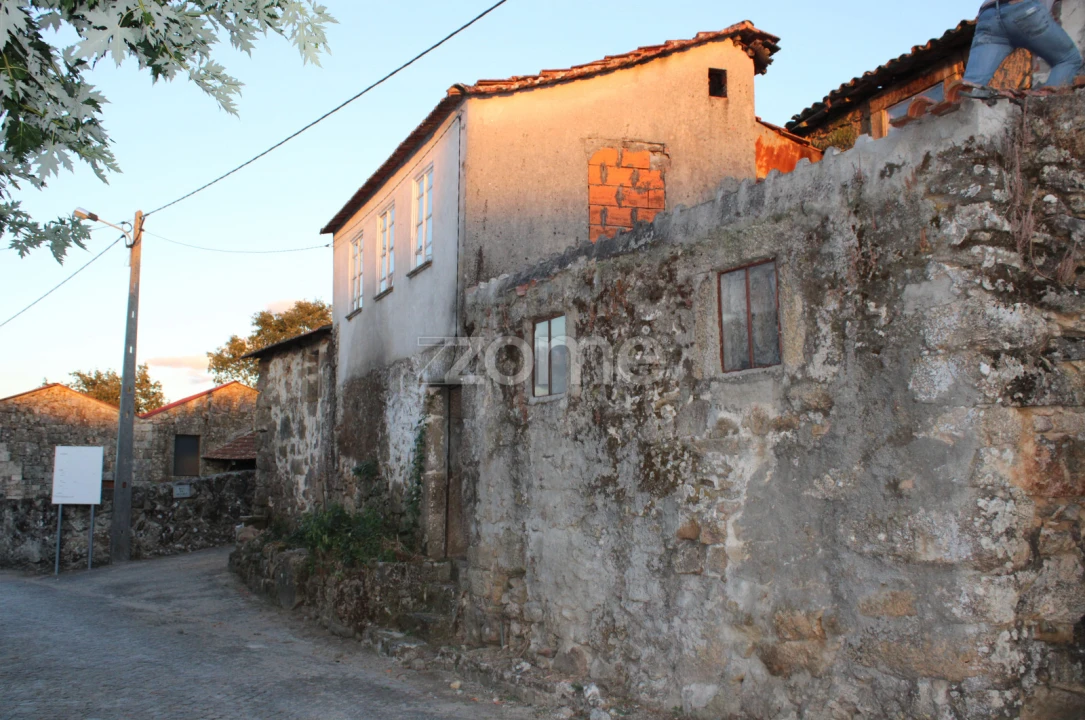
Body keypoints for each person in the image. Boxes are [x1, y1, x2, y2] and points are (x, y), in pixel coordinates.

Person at [960, 0, 1083, 94]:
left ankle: (963, 117)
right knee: (1068, 59)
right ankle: (1046, 106)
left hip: (987, 15)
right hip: (1022, 8)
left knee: (971, 85)